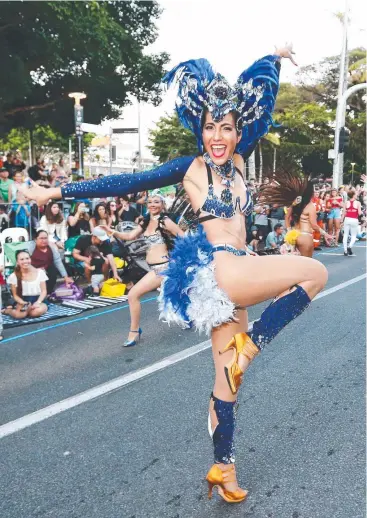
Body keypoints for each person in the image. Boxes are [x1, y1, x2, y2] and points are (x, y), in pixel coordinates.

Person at [22, 45, 329, 504]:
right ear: (199, 129)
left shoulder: (241, 165)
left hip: (230, 285)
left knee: (227, 382)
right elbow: (125, 182)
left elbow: (256, 93)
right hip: (227, 270)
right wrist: (56, 189)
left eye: (226, 126)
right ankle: (253, 346)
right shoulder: (192, 167)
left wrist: (272, 59)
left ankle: (223, 467)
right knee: (315, 272)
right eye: (210, 127)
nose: (218, 136)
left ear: (239, 130)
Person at [102, 191, 184, 346]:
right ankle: (188, 316)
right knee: (179, 294)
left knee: (132, 295)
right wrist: (112, 231)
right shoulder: (145, 222)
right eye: (150, 202)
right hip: (152, 269)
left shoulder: (165, 221)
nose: (153, 205)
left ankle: (134, 331)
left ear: (162, 204)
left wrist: (178, 255)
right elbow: (129, 236)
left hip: (164, 268)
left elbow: (184, 238)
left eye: (156, 202)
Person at [261, 171, 333, 257]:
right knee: (307, 265)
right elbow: (314, 225)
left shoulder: (294, 204)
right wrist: (325, 234)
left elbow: (287, 217)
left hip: (295, 236)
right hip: (306, 237)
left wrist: (289, 232)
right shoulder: (310, 206)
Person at [2, 250, 48, 319]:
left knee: (36, 312)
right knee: (20, 315)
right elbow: (15, 295)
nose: (25, 261)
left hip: (39, 299)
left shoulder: (40, 272)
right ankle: (8, 311)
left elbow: (44, 291)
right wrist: (23, 303)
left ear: (30, 259)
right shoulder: (14, 276)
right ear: (17, 262)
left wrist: (38, 302)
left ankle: (25, 311)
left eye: (27, 258)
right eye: (22, 259)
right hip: (23, 300)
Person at [29, 230, 73, 294]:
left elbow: (58, 262)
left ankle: (48, 293)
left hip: (47, 270)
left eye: (45, 238)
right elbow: (25, 262)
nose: (44, 240)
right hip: (33, 271)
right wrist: (36, 270)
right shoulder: (30, 247)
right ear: (35, 239)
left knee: (53, 269)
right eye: (41, 238)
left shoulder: (51, 247)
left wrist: (66, 277)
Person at [341, 188, 362, 256]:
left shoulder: (346, 202)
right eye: (355, 194)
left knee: (346, 234)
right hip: (354, 219)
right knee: (353, 235)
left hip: (347, 219)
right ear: (353, 195)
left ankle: (345, 251)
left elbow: (344, 213)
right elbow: (359, 213)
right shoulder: (358, 203)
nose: (356, 195)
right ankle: (349, 246)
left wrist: (341, 220)